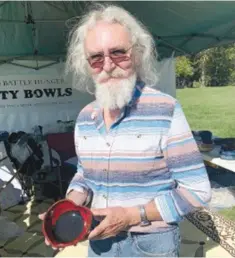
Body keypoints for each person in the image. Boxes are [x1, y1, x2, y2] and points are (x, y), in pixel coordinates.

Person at [40, 4, 212, 257]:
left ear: (138, 54)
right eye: (96, 57)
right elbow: (84, 174)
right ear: (86, 64)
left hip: (151, 244)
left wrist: (132, 215)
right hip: (100, 240)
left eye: (118, 52)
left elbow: (197, 191)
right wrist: (70, 205)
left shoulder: (165, 109)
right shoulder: (86, 117)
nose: (108, 65)